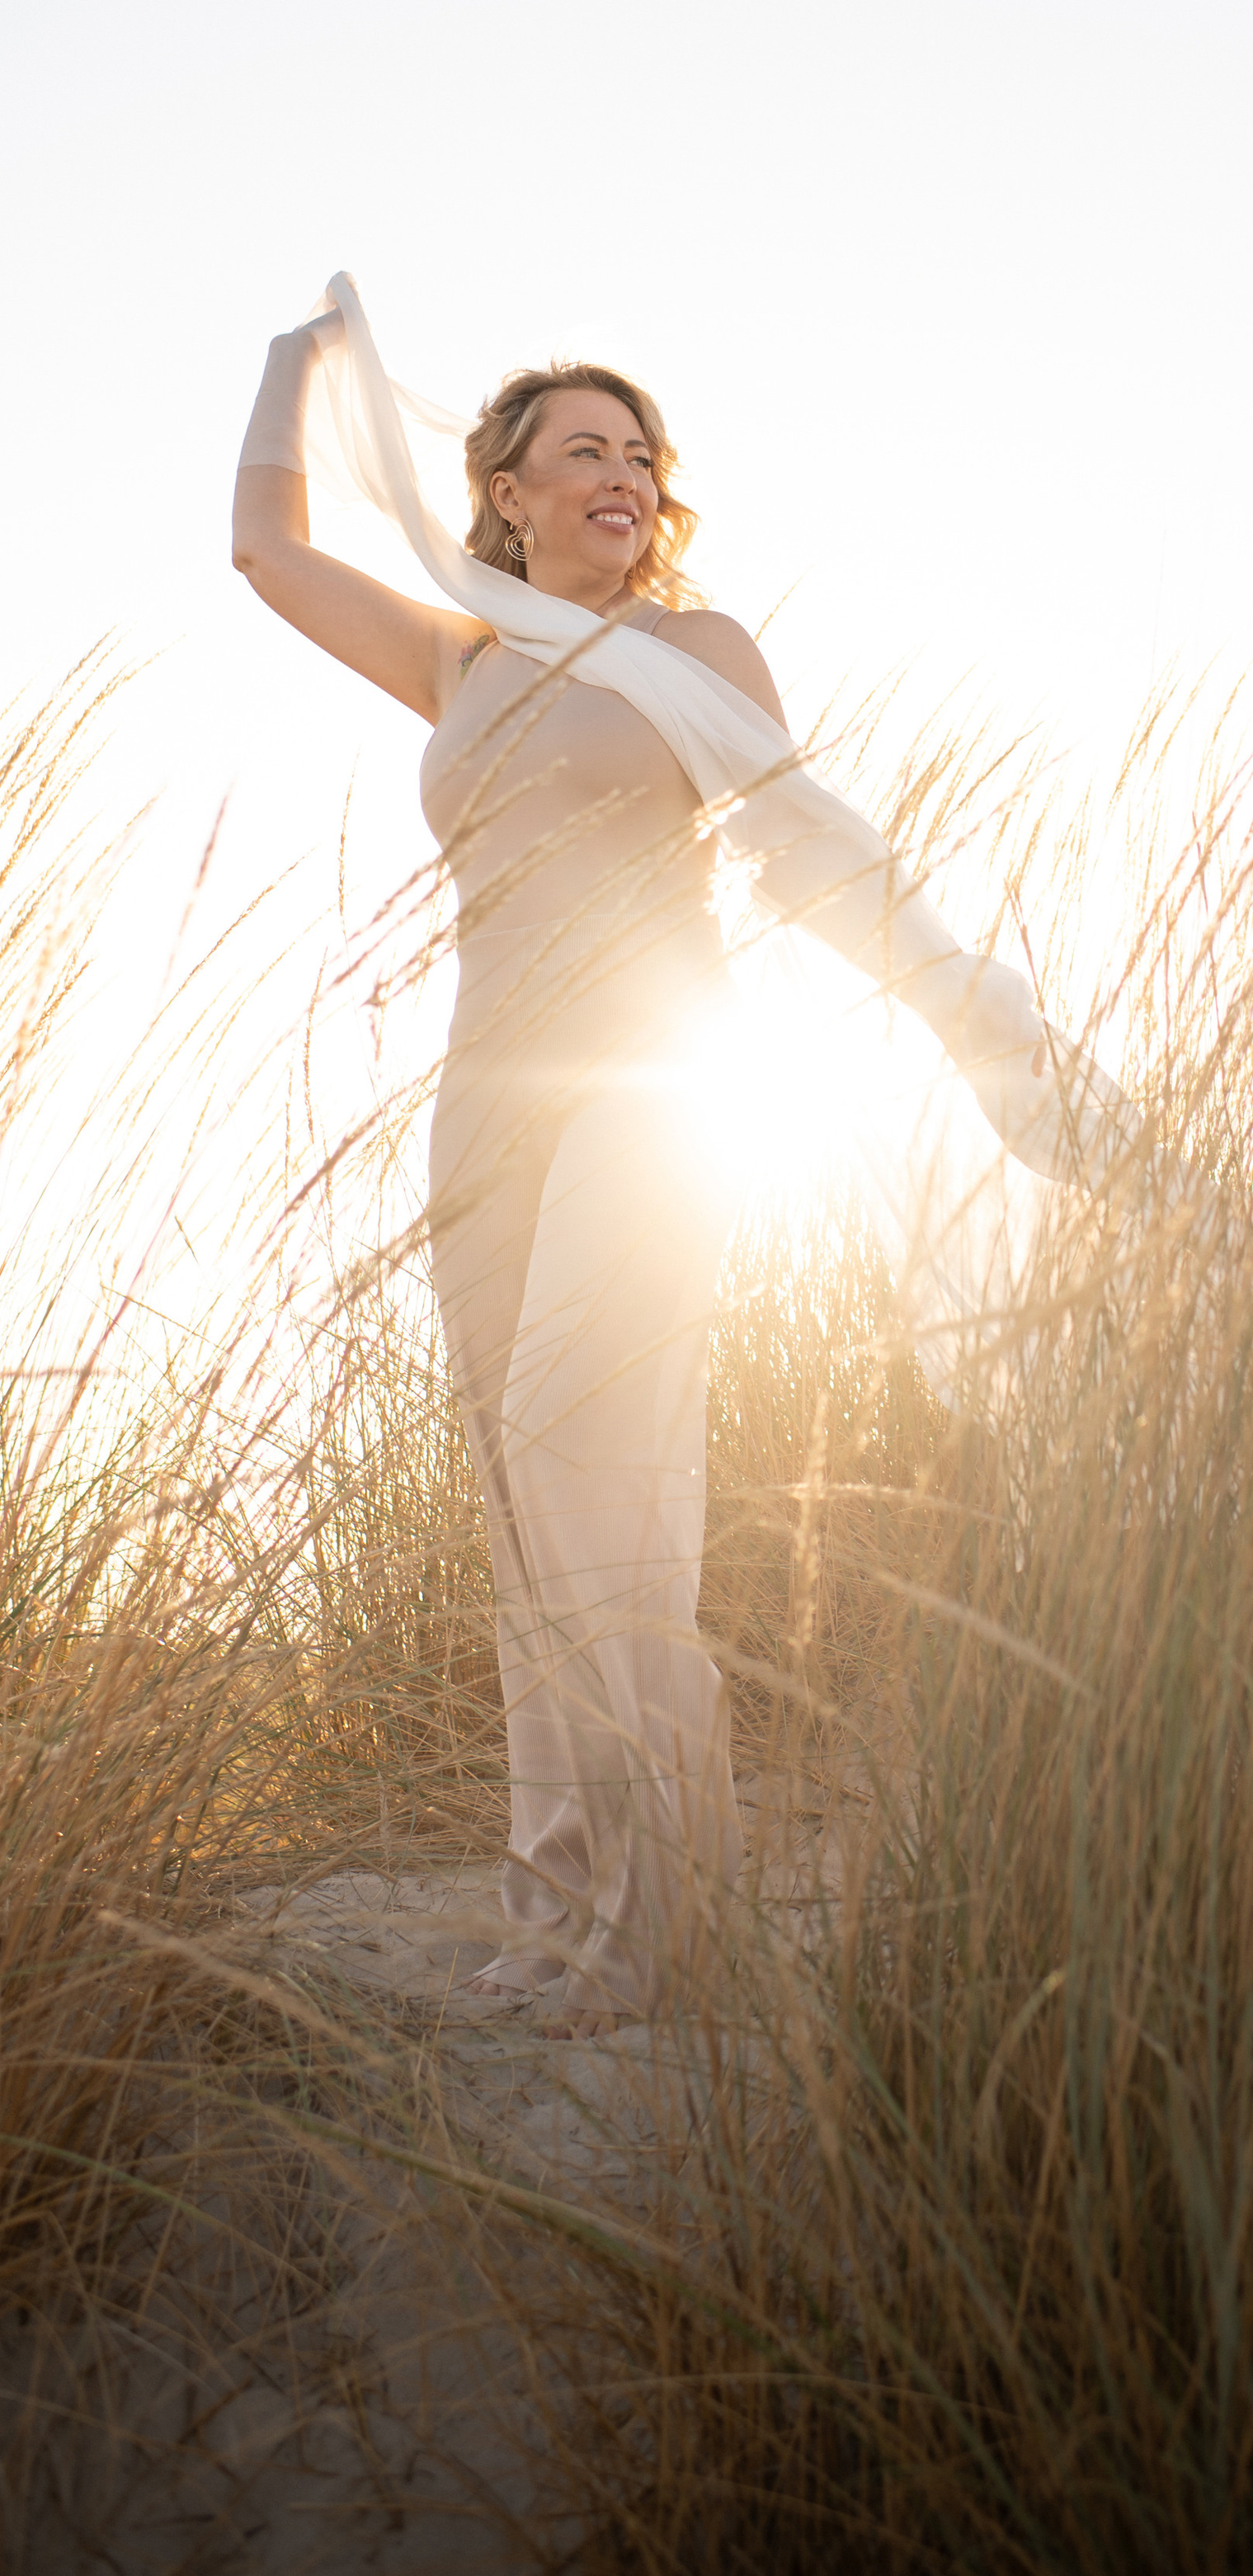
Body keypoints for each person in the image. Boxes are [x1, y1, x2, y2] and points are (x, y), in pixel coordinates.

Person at [233, 295, 1072, 2039]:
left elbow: (805, 843)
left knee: (586, 1447)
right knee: (523, 1499)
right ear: (504, 493)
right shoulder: (460, 661)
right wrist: (300, 357)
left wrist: (960, 1011)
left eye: (639, 455)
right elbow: (262, 547)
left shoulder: (698, 646)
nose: (619, 475)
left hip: (660, 1074)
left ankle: (646, 1925)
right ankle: (553, 1908)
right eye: (581, 451)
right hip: (488, 1095)